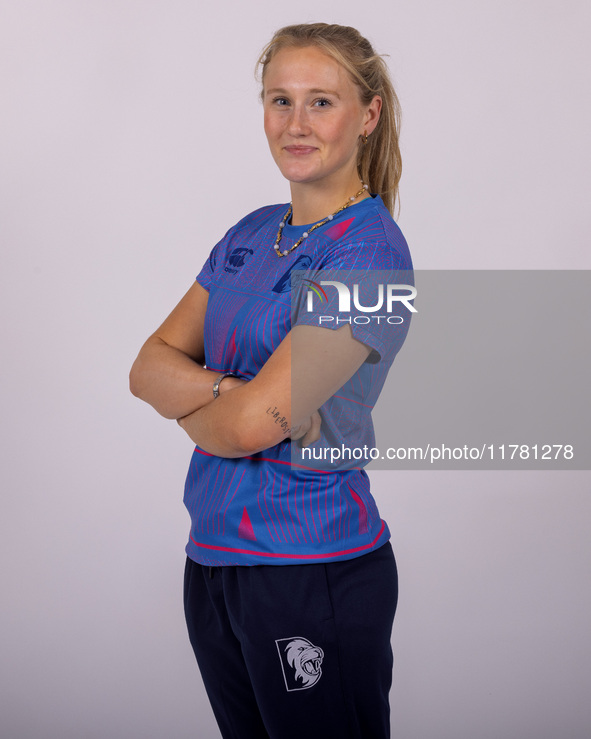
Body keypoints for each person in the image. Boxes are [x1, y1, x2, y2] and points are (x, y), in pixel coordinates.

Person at [130, 22, 413, 739]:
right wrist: (232, 396)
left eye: (321, 102)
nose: (295, 123)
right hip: (214, 561)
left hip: (309, 563)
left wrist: (205, 393)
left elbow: (259, 423)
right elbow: (147, 366)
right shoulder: (251, 233)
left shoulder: (370, 255)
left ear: (367, 114)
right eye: (278, 100)